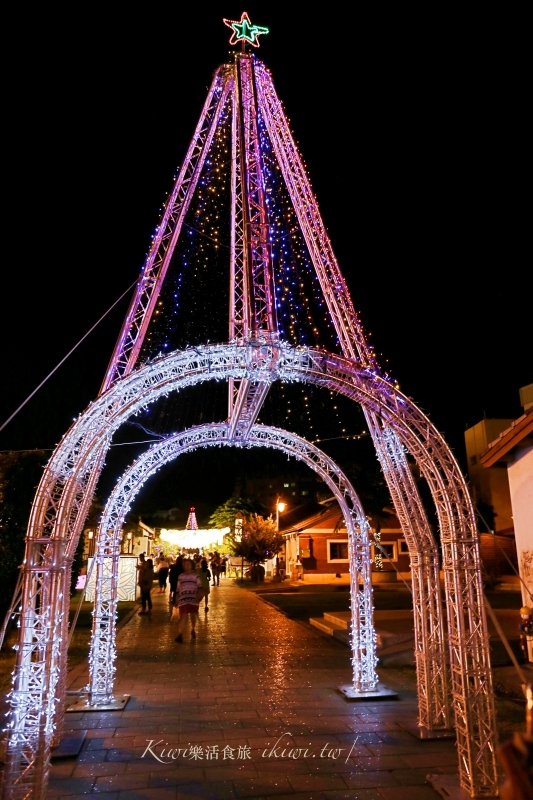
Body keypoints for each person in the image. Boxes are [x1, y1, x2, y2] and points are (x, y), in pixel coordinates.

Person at [174, 558, 201, 643]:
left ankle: (193, 629)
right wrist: (176, 599)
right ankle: (180, 635)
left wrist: (198, 597)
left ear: (192, 566)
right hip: (183, 599)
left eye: (188, 564)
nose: (187, 566)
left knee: (192, 615)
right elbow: (178, 588)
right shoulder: (181, 576)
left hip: (193, 598)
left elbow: (200, 587)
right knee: (183, 616)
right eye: (185, 565)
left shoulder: (196, 576)